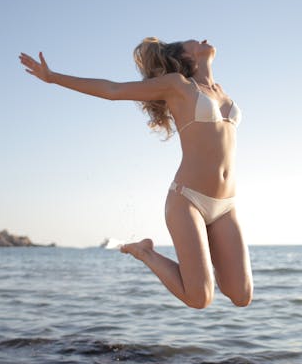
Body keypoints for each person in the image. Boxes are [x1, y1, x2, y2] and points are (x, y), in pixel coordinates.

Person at [19, 38, 253, 309]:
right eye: (193, 41)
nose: (202, 40)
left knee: (241, 296)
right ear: (186, 57)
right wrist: (53, 77)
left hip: (226, 206)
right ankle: (145, 253)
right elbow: (112, 89)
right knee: (200, 298)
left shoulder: (222, 92)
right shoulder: (178, 85)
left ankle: (210, 263)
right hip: (188, 200)